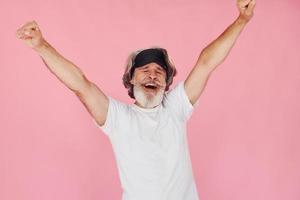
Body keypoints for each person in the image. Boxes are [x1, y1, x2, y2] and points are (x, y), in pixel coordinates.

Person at [16, 0, 256, 199]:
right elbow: (80, 84)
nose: (152, 74)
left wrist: (241, 20)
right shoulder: (118, 117)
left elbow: (206, 62)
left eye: (159, 71)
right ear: (130, 79)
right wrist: (41, 46)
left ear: (166, 82)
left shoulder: (176, 107)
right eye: (144, 69)